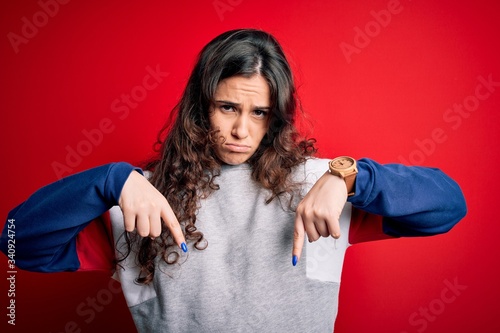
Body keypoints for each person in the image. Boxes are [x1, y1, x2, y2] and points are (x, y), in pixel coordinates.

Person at [0, 29, 466, 332]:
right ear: (200, 106)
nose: (242, 130)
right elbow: (17, 241)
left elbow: (448, 207)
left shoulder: (320, 188)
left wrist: (351, 176)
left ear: (276, 117)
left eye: (259, 113)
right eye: (228, 108)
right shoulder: (138, 200)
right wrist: (108, 180)